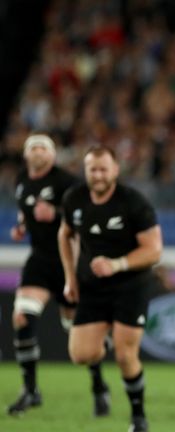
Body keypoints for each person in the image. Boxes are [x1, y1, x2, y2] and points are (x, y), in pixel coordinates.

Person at [58, 146, 163, 432]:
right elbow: (64, 234)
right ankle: (101, 359)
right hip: (92, 287)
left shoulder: (133, 202)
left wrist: (116, 264)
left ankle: (138, 417)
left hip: (131, 285)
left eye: (104, 168)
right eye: (93, 169)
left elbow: (154, 250)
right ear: (85, 170)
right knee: (81, 355)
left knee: (125, 354)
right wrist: (69, 277)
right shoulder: (74, 199)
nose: (99, 175)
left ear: (115, 170)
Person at [7, 134, 110, 417]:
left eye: (44, 147)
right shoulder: (21, 180)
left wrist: (55, 214)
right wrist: (22, 226)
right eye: (33, 147)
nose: (38, 151)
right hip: (39, 260)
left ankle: (99, 386)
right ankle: (31, 390)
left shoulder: (67, 181)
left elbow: (87, 213)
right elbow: (26, 211)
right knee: (21, 318)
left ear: (52, 155)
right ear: (27, 155)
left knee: (81, 338)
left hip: (69, 261)